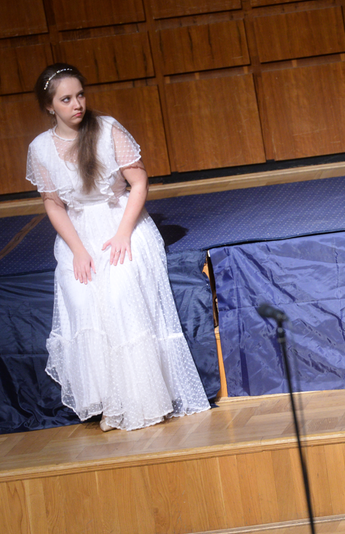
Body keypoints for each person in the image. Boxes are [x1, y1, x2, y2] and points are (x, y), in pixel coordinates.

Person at [26, 64, 210, 431]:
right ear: (50, 106)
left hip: (121, 222)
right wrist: (78, 250)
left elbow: (138, 182)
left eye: (80, 95)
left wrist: (125, 232)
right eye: (66, 99)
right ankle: (111, 402)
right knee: (83, 302)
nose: (77, 104)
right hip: (79, 234)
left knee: (120, 297)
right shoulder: (40, 148)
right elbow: (53, 203)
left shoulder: (107, 128)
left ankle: (145, 400)